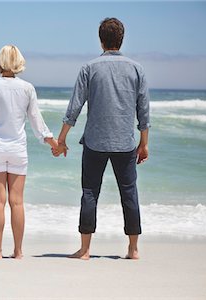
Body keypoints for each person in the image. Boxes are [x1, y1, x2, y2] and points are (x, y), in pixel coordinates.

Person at [53, 18, 150, 260]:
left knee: (89, 192)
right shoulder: (137, 69)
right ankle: (133, 249)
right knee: (129, 192)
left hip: (95, 142)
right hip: (126, 142)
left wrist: (61, 139)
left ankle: (85, 250)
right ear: (122, 39)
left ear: (100, 39)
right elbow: (144, 110)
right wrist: (144, 143)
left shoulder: (89, 68)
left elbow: (74, 107)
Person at [0, 45, 58, 259]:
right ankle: (18, 251)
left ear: (0, 62)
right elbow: (37, 122)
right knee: (17, 202)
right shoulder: (27, 88)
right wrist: (54, 144)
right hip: (17, 149)